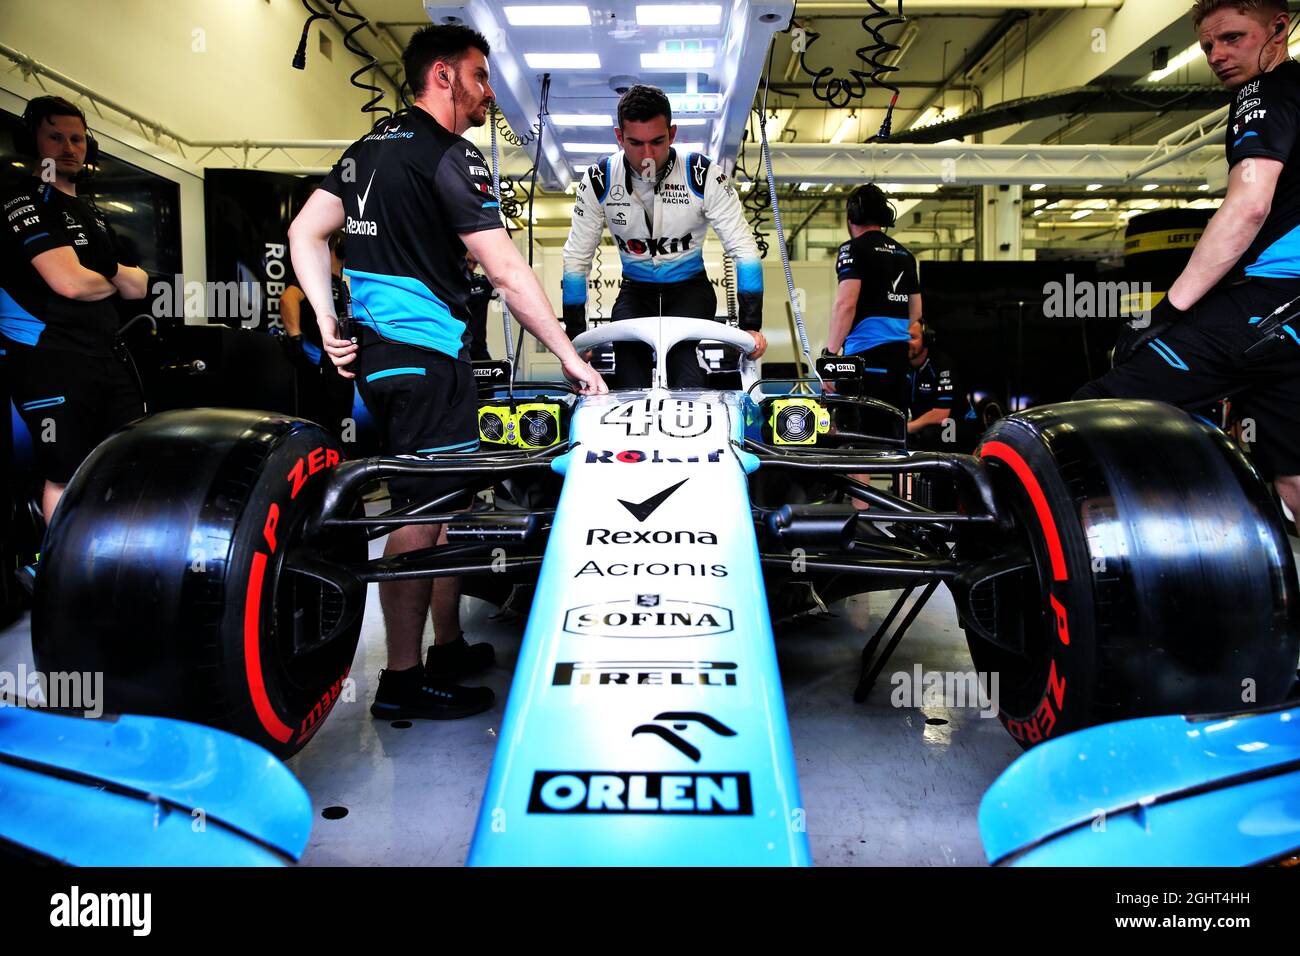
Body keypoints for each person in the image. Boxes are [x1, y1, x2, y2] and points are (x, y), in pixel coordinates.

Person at [288, 24, 606, 722]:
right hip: (425, 359)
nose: (488, 91)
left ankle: (447, 645)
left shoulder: (366, 148)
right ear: (443, 74)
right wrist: (571, 356)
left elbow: (305, 232)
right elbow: (508, 272)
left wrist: (325, 318)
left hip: (390, 358)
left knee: (451, 508)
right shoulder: (450, 156)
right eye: (480, 75)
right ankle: (401, 680)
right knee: (420, 517)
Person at [1075, 0, 1300, 518]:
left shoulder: (1264, 90)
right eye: (1207, 46)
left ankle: (1016, 562)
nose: (1217, 54)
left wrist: (1168, 311)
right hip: (1288, 326)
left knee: (1090, 412)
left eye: (1233, 38)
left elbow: (1248, 204)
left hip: (1270, 300)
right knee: (1292, 475)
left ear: (1279, 28)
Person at [0, 96, 149, 528]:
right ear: (33, 141)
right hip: (49, 357)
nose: (69, 147)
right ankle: (62, 578)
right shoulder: (22, 198)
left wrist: (108, 275)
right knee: (66, 471)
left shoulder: (93, 213)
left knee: (125, 463)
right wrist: (113, 278)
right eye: (56, 137)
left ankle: (107, 565)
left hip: (107, 355)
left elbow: (139, 286)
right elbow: (70, 282)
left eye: (77, 139)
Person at [561, 84, 767, 388]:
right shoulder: (599, 180)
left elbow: (744, 251)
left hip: (689, 289)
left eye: (657, 141)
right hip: (636, 290)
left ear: (672, 134)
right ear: (619, 137)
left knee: (681, 359)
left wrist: (751, 327)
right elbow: (576, 260)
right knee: (628, 360)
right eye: (635, 143)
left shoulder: (702, 174)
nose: (647, 154)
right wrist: (575, 337)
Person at [825, 183, 922, 414]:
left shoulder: (853, 249)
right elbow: (916, 312)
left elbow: (845, 305)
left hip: (864, 363)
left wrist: (830, 357)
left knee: (860, 441)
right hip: (900, 366)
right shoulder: (905, 255)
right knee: (894, 439)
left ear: (852, 217)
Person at [281, 233, 355, 438]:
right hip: (316, 366)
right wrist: (295, 337)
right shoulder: (317, 280)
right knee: (320, 421)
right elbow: (288, 299)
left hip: (336, 368)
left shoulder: (340, 285)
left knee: (342, 422)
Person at [905, 320, 975, 451]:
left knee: (930, 435)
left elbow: (941, 414)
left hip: (957, 423)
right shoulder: (901, 365)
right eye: (903, 337)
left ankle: (939, 470)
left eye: (912, 337)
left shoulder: (942, 364)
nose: (906, 342)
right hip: (922, 424)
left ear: (926, 339)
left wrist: (908, 428)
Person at [463, 251, 495, 362]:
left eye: (475, 263)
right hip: (455, 346)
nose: (471, 266)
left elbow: (504, 284)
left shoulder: (483, 282)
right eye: (468, 261)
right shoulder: (448, 282)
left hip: (478, 347)